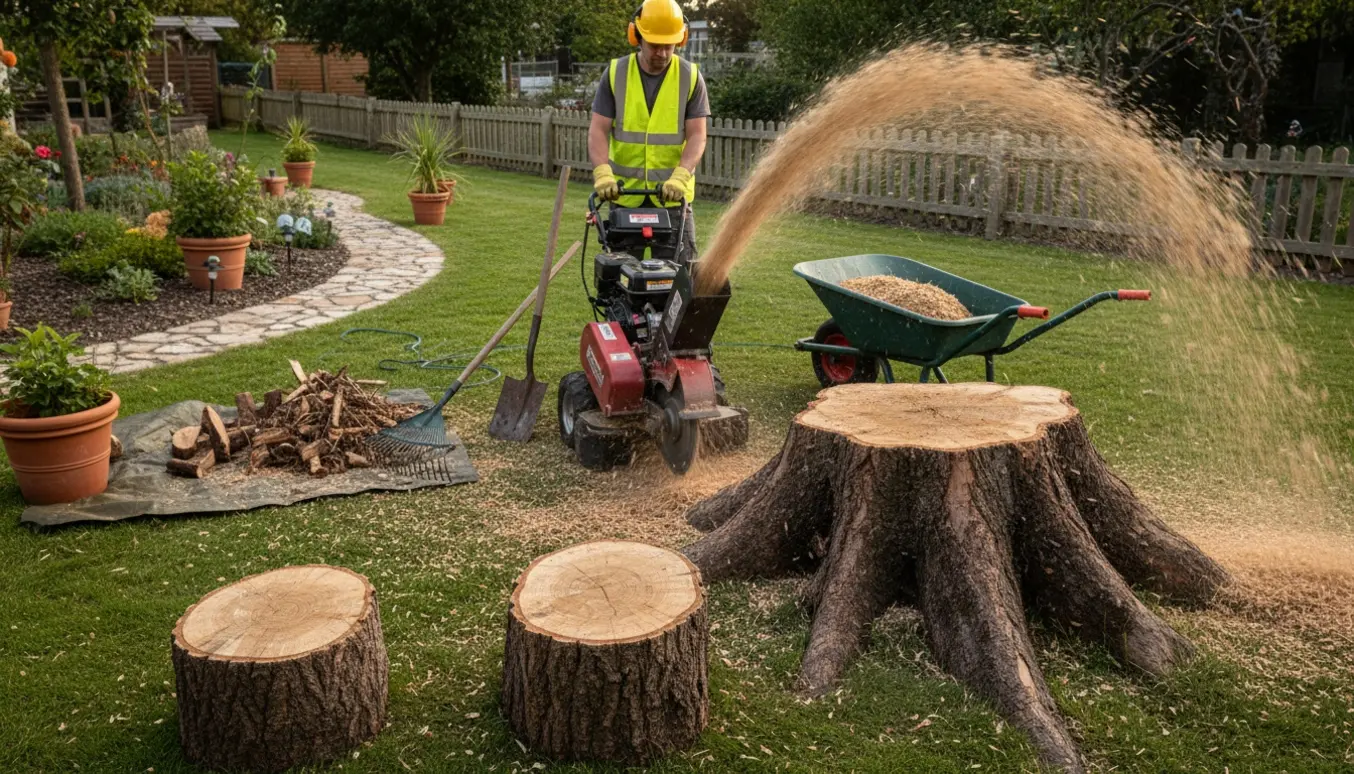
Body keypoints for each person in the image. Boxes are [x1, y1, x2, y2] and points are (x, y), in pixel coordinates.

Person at [589, 0, 710, 264]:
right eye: (655, 45)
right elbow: (598, 129)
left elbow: (698, 135)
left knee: (681, 281)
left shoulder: (690, 77)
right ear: (636, 36)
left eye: (669, 45)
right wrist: (602, 172)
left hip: (673, 200)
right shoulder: (616, 74)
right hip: (624, 195)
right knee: (618, 281)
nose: (663, 53)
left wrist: (680, 175)